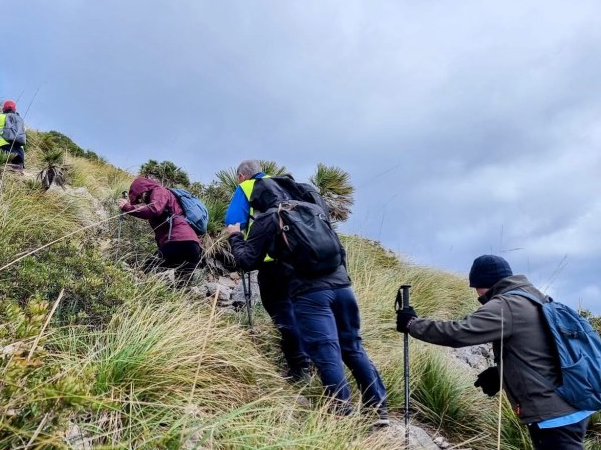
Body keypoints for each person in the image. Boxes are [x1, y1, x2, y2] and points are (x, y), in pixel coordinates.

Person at [225, 182, 388, 425]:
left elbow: (247, 261)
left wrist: (235, 237)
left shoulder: (269, 218)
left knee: (326, 351)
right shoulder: (314, 209)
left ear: (257, 202)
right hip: (343, 288)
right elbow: (340, 251)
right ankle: (378, 410)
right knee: (353, 347)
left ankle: (341, 414)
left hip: (311, 295)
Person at [396, 255, 592, 450]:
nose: (477, 295)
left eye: (476, 288)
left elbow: (459, 333)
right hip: (571, 405)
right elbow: (539, 350)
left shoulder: (505, 305)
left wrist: (413, 324)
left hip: (553, 415)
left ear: (485, 283)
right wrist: (502, 373)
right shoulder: (535, 298)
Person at [225, 160, 311, 381]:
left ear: (242, 176)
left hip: (272, 261)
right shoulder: (285, 185)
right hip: (305, 259)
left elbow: (233, 221)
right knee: (303, 310)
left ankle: (300, 368)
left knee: (282, 311)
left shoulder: (246, 187)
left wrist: (239, 239)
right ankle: (317, 359)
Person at [118, 177, 201, 286]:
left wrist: (127, 207)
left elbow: (154, 210)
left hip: (179, 241)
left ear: (142, 191)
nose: (140, 202)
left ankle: (136, 290)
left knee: (149, 266)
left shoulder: (159, 191)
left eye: (139, 199)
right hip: (192, 245)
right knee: (182, 285)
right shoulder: (165, 198)